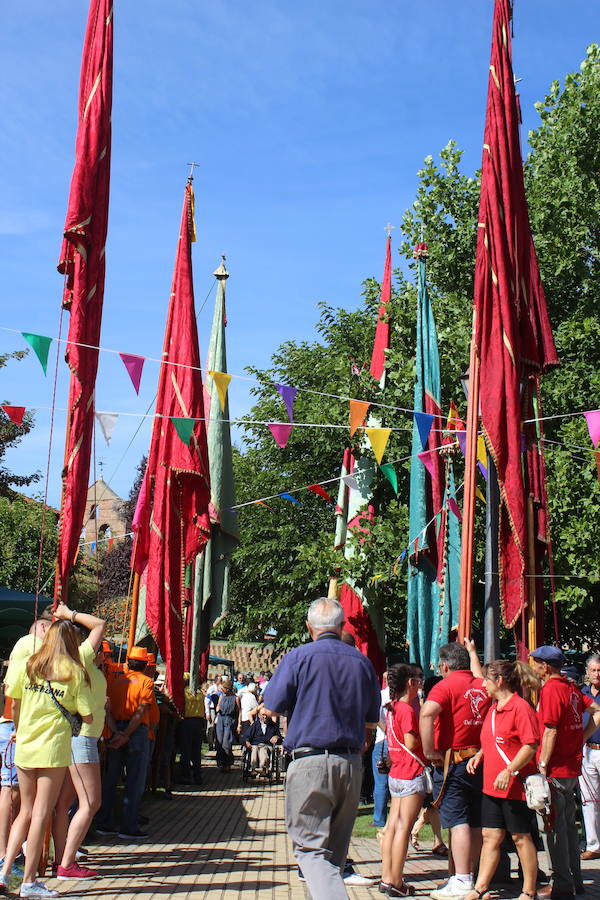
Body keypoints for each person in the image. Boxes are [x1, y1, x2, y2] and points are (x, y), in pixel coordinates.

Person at [262, 596, 380, 900]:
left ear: (309, 627)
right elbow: (371, 719)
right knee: (334, 857)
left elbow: (272, 704)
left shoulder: (299, 657)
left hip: (310, 760)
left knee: (311, 851)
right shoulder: (362, 662)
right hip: (351, 764)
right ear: (342, 626)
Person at [1, 619, 93, 899]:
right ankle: (28, 882)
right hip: (53, 749)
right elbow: (87, 715)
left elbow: (13, 701)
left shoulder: (28, 665)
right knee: (41, 812)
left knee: (25, 812)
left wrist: (20, 729)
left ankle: (5, 873)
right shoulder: (75, 672)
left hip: (25, 745)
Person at [463, 659, 541, 900]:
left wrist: (509, 771)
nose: (483, 684)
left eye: (487, 679)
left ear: (499, 681)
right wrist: (480, 754)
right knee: (490, 836)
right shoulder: (494, 708)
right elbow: (494, 739)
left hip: (514, 786)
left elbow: (530, 745)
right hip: (491, 786)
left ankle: (529, 890)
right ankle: (481, 887)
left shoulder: (520, 707)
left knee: (520, 837)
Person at [420, 642, 491, 900]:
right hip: (481, 761)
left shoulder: (445, 686)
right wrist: (474, 653)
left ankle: (462, 880)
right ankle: (467, 876)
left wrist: (429, 752)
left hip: (455, 761)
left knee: (458, 822)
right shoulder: (483, 685)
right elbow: (480, 675)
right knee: (474, 822)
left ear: (445, 666)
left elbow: (427, 713)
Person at [529, 646, 600, 899]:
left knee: (553, 827)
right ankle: (575, 879)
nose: (533, 667)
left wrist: (543, 763)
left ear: (545, 666)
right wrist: (580, 738)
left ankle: (561, 883)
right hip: (571, 766)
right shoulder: (571, 688)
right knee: (569, 826)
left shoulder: (551, 689)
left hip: (556, 768)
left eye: (535, 662)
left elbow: (550, 730)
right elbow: (597, 711)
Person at [52, 604, 106, 880]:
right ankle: (67, 863)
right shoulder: (81, 658)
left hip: (81, 738)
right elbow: (99, 623)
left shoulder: (76, 662)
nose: (102, 650)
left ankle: (60, 856)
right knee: (91, 802)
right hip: (82, 739)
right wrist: (68, 613)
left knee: (65, 802)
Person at [96, 646, 155, 840]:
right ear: (146, 664)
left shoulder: (115, 682)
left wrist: (116, 732)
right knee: (134, 779)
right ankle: (128, 826)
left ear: (128, 662)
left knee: (111, 778)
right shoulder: (146, 682)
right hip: (135, 732)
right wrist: (128, 734)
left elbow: (107, 710)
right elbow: (141, 710)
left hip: (116, 730)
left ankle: (105, 822)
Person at [380, 663, 428, 897]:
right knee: (403, 829)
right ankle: (396, 881)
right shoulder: (407, 710)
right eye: (418, 679)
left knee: (391, 827)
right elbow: (411, 742)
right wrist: (426, 735)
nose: (420, 682)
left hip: (396, 772)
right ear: (410, 683)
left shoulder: (392, 707)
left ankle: (386, 876)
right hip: (411, 771)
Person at [580, 653, 600, 860]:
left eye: (599, 670)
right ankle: (593, 845)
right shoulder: (582, 693)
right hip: (587, 749)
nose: (597, 674)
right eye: (593, 670)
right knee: (589, 800)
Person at [177, 673, 206, 785]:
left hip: (187, 722)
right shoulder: (199, 693)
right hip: (199, 723)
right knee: (196, 751)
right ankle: (198, 776)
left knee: (186, 750)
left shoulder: (183, 693)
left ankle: (186, 776)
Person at [372, 671, 391, 829]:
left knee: (380, 782)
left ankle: (379, 819)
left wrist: (388, 732)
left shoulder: (381, 695)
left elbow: (376, 718)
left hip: (382, 742)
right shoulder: (407, 695)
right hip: (397, 742)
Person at [244, 708, 281, 775]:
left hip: (267, 745)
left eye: (266, 715)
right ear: (259, 715)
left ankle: (262, 768)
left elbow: (279, 736)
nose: (265, 717)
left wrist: (276, 737)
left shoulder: (273, 725)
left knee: (263, 749)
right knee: (254, 749)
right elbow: (247, 735)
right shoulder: (255, 725)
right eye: (263, 715)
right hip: (255, 744)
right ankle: (253, 768)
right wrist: (247, 742)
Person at [215, 678, 239, 771]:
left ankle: (228, 762)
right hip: (221, 719)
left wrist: (239, 724)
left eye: (223, 689)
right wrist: (218, 707)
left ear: (228, 689)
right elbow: (218, 706)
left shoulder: (236, 698)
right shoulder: (222, 696)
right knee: (219, 742)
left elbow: (239, 712)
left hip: (230, 720)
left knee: (226, 743)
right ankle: (221, 762)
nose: (222, 690)